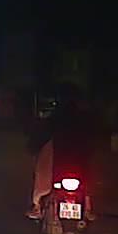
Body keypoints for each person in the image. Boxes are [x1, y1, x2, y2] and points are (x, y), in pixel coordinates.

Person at [27, 83, 94, 219]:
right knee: (87, 180)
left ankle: (36, 206)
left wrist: (33, 146)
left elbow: (37, 138)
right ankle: (88, 208)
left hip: (57, 164)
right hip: (77, 163)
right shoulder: (86, 119)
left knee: (41, 172)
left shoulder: (53, 120)